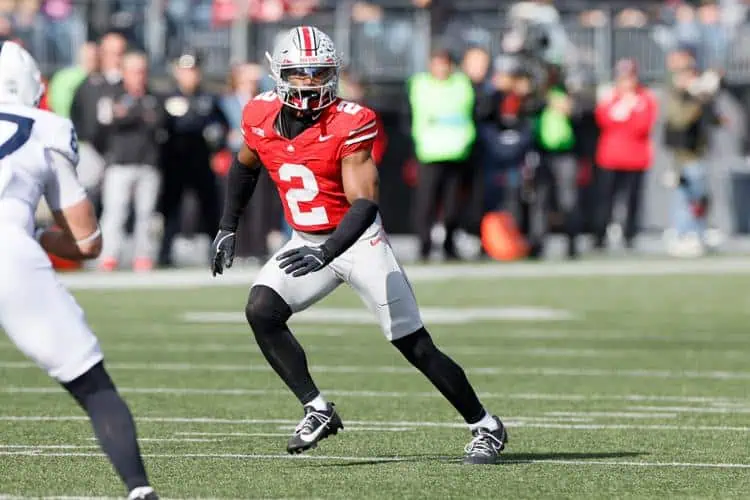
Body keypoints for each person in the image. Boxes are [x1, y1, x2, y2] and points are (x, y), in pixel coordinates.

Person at [210, 26, 507, 465]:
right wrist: (227, 225)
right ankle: (316, 408)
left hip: (358, 241)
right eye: (301, 73)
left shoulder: (351, 121)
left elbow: (365, 204)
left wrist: (327, 253)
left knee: (413, 343)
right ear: (280, 73)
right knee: (261, 310)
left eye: (319, 73)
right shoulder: (257, 114)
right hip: (307, 240)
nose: (310, 82)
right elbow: (244, 166)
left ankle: (486, 426)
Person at [0, 41, 157, 500]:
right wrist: (41, 234)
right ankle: (140, 490)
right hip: (10, 254)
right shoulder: (46, 127)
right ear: (35, 88)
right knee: (91, 384)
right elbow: (88, 240)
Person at [158, 51, 228, 267]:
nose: (190, 76)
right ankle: (164, 254)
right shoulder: (166, 98)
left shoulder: (208, 99)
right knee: (171, 209)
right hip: (175, 163)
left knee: (210, 207)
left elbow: (222, 127)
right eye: (186, 71)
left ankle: (215, 252)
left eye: (193, 71)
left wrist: (217, 139)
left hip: (201, 162)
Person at [97, 51, 164, 272]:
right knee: (115, 212)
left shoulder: (153, 96)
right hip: (120, 163)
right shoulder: (112, 94)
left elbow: (157, 121)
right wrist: (133, 114)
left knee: (146, 214)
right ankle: (109, 256)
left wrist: (129, 114)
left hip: (147, 163)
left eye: (142, 71)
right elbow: (109, 121)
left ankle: (143, 257)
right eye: (134, 71)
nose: (139, 76)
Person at [593, 59, 658, 250]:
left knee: (632, 201)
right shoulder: (610, 97)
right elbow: (603, 120)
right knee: (606, 200)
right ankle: (599, 235)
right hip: (610, 158)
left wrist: (628, 112)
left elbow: (643, 125)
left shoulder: (644, 98)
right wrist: (622, 110)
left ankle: (630, 235)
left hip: (635, 158)